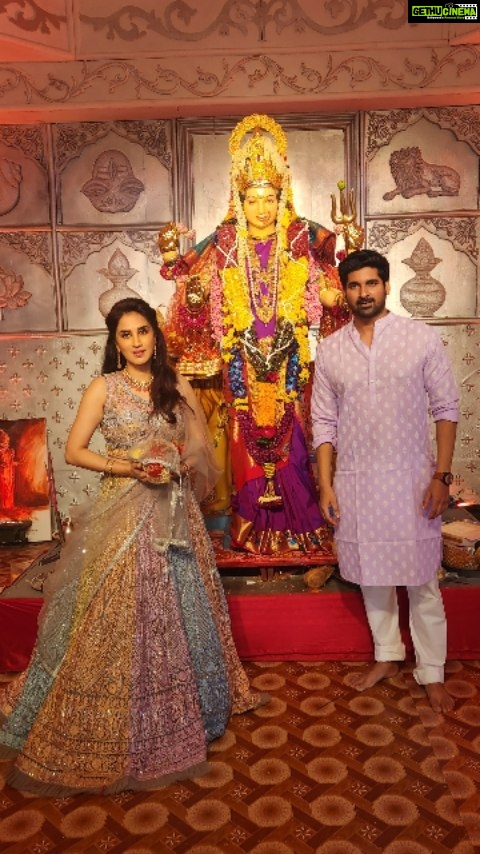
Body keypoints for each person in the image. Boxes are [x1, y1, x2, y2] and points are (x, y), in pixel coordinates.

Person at [0, 297, 266, 796]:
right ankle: (112, 713)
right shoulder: (104, 387)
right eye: (126, 335)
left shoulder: (173, 383)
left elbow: (199, 449)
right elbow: (75, 450)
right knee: (118, 610)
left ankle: (197, 707)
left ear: (155, 334)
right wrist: (130, 466)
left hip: (174, 511)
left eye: (144, 331)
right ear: (114, 341)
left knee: (182, 604)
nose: (137, 342)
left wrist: (178, 464)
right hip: (124, 510)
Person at [161, 114, 350, 557]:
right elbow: (184, 275)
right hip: (241, 357)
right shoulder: (225, 240)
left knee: (295, 435)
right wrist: (181, 270)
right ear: (239, 201)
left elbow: (340, 260)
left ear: (280, 196)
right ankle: (249, 524)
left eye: (269, 198)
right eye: (253, 199)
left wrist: (334, 281)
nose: (262, 208)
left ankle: (300, 527)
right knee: (246, 436)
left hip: (291, 356)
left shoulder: (301, 235)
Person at [311, 249, 458, 714]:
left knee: (421, 580)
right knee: (373, 577)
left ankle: (432, 669)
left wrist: (442, 477)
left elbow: (446, 408)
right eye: (353, 286)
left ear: (386, 286)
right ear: (345, 292)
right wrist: (326, 484)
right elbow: (323, 423)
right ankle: (388, 656)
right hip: (356, 482)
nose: (363, 293)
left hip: (413, 480)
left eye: (371, 283)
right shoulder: (332, 349)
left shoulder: (420, 339)